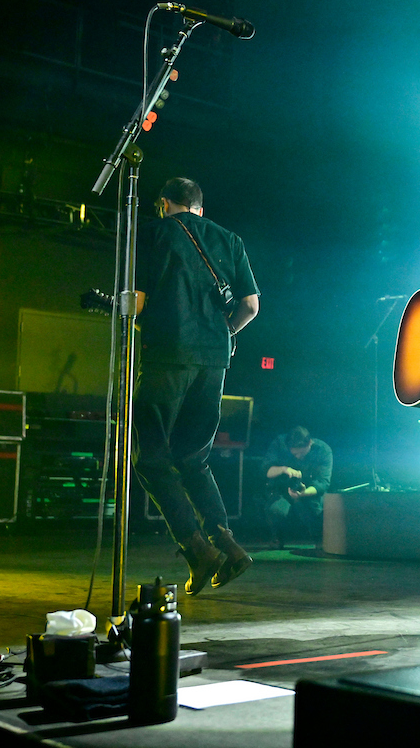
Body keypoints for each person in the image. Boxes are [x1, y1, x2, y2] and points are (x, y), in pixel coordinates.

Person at [133, 177, 260, 594]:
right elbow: (250, 305)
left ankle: (196, 549)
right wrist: (225, 333)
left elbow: (137, 299)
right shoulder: (229, 239)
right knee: (194, 457)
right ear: (199, 208)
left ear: (163, 204)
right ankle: (229, 545)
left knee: (149, 458)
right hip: (214, 359)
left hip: (165, 355)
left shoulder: (152, 232)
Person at [261, 426, 333, 547]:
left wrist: (304, 493)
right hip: (282, 491)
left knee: (316, 511)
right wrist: (284, 469)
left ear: (310, 443)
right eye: (295, 453)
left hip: (309, 493)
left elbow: (323, 482)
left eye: (302, 453)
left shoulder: (323, 451)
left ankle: (319, 539)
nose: (298, 456)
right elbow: (265, 471)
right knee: (275, 510)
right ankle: (277, 537)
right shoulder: (279, 444)